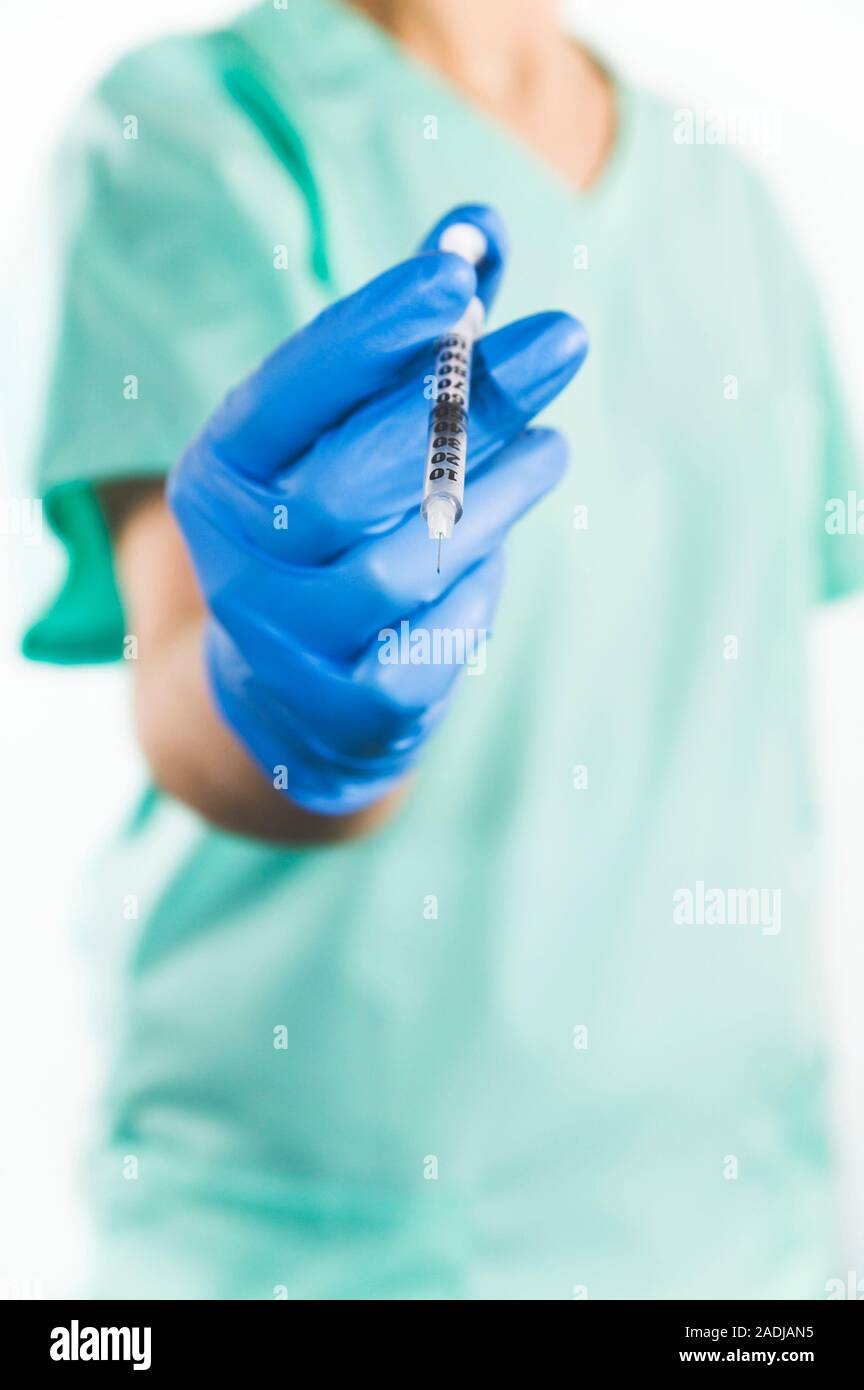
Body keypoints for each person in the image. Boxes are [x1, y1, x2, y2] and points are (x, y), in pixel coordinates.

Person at [21, 0, 862, 1298]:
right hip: (334, 1245)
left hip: (742, 1241)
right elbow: (182, 666)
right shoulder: (202, 132)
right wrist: (293, 710)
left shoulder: (731, 199)